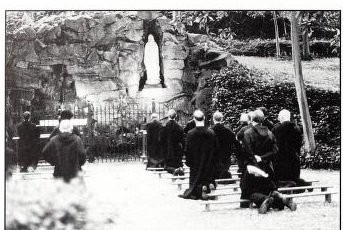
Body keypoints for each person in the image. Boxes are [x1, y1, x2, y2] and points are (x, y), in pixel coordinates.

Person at [240, 109, 297, 213]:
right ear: (262, 120)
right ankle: (280, 197)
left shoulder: (247, 133)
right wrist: (263, 158)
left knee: (247, 190)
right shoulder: (270, 134)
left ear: (252, 119)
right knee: (269, 190)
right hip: (267, 169)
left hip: (253, 168)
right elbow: (275, 151)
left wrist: (257, 159)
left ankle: (263, 200)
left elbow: (247, 152)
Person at [180, 110, 217, 200]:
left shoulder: (190, 134)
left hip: (196, 163)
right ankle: (208, 186)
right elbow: (215, 148)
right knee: (207, 176)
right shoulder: (211, 133)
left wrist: (188, 162)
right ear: (204, 118)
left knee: (195, 181)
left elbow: (187, 150)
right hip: (208, 162)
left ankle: (200, 189)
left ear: (194, 119)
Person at [272, 109, 311, 188]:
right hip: (294, 158)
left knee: (280, 179)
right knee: (294, 177)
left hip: (280, 159)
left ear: (281, 117)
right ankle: (299, 183)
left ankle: (288, 184)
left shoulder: (276, 129)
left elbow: (274, 144)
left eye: (279, 117)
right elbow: (299, 144)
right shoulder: (296, 128)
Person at [211, 111, 237, 181]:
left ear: (213, 119)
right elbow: (235, 143)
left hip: (214, 159)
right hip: (226, 158)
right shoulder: (229, 131)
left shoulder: (210, 131)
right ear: (222, 119)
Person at [162, 109, 184, 176]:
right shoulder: (179, 127)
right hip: (177, 149)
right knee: (177, 163)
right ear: (176, 116)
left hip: (168, 149)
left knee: (166, 166)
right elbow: (182, 139)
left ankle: (174, 170)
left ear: (168, 116)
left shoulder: (165, 126)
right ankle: (180, 169)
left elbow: (163, 139)